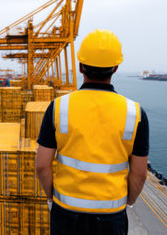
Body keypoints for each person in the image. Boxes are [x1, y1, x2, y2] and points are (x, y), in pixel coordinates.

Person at [36, 29, 149, 235]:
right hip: (112, 216)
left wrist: (52, 198)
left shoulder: (58, 108)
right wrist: (127, 201)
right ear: (115, 68)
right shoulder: (135, 113)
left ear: (80, 66)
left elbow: (42, 166)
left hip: (66, 214)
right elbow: (140, 173)